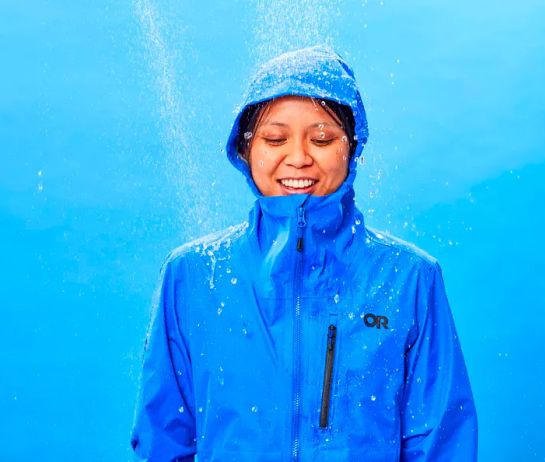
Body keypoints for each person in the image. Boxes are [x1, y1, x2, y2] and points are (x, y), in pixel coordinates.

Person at [130, 45, 477, 461]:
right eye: (275, 138)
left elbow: (440, 443)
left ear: (351, 147)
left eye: (322, 138)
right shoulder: (191, 276)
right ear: (245, 149)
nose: (298, 158)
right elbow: (163, 438)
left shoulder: (409, 278)